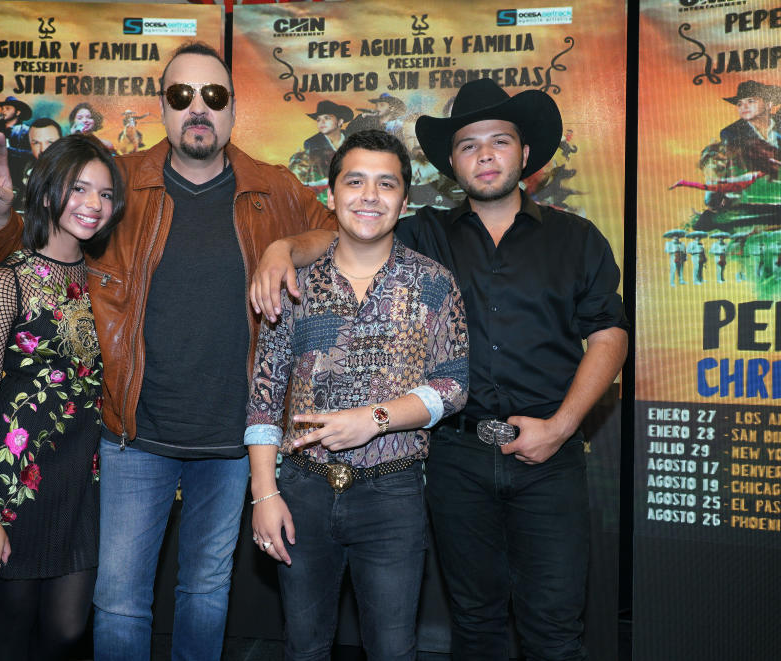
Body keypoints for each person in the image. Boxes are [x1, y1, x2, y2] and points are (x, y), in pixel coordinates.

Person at [0, 42, 335, 661]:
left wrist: (284, 248)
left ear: (233, 110)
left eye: (213, 97)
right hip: (130, 437)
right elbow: (37, 271)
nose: (197, 109)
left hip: (232, 441)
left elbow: (339, 231)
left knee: (208, 593)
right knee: (119, 602)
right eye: (180, 95)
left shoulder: (274, 187)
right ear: (161, 107)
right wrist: (1, 220)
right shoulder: (119, 185)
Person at [251, 78, 628, 661]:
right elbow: (349, 231)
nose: (484, 154)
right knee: (474, 626)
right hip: (457, 460)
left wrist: (559, 427)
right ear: (451, 162)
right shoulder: (426, 233)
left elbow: (609, 336)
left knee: (555, 629)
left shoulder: (576, 239)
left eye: (498, 141)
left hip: (550, 458)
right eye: (468, 144)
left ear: (524, 155)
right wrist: (281, 249)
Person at [245, 129, 468, 660]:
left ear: (404, 200)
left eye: (386, 184)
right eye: (356, 181)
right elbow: (264, 394)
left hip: (393, 497)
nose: (370, 196)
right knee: (303, 647)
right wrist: (263, 493)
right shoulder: (294, 285)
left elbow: (454, 385)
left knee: (393, 650)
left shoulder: (434, 284)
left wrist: (377, 418)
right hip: (301, 490)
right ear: (330, 194)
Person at [0, 134, 126, 661]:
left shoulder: (106, 286)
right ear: (45, 195)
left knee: (66, 633)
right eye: (79, 188)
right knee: (12, 629)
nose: (93, 204)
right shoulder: (4, 284)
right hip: (15, 486)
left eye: (106, 195)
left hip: (85, 486)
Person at [719, 80, 781, 177]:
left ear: (768, 104)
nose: (744, 106)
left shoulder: (779, 122)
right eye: (739, 104)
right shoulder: (731, 133)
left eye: (751, 101)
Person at [302, 100, 353, 178]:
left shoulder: (354, 139)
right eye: (318, 120)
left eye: (327, 118)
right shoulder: (312, 143)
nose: (322, 122)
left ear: (340, 122)